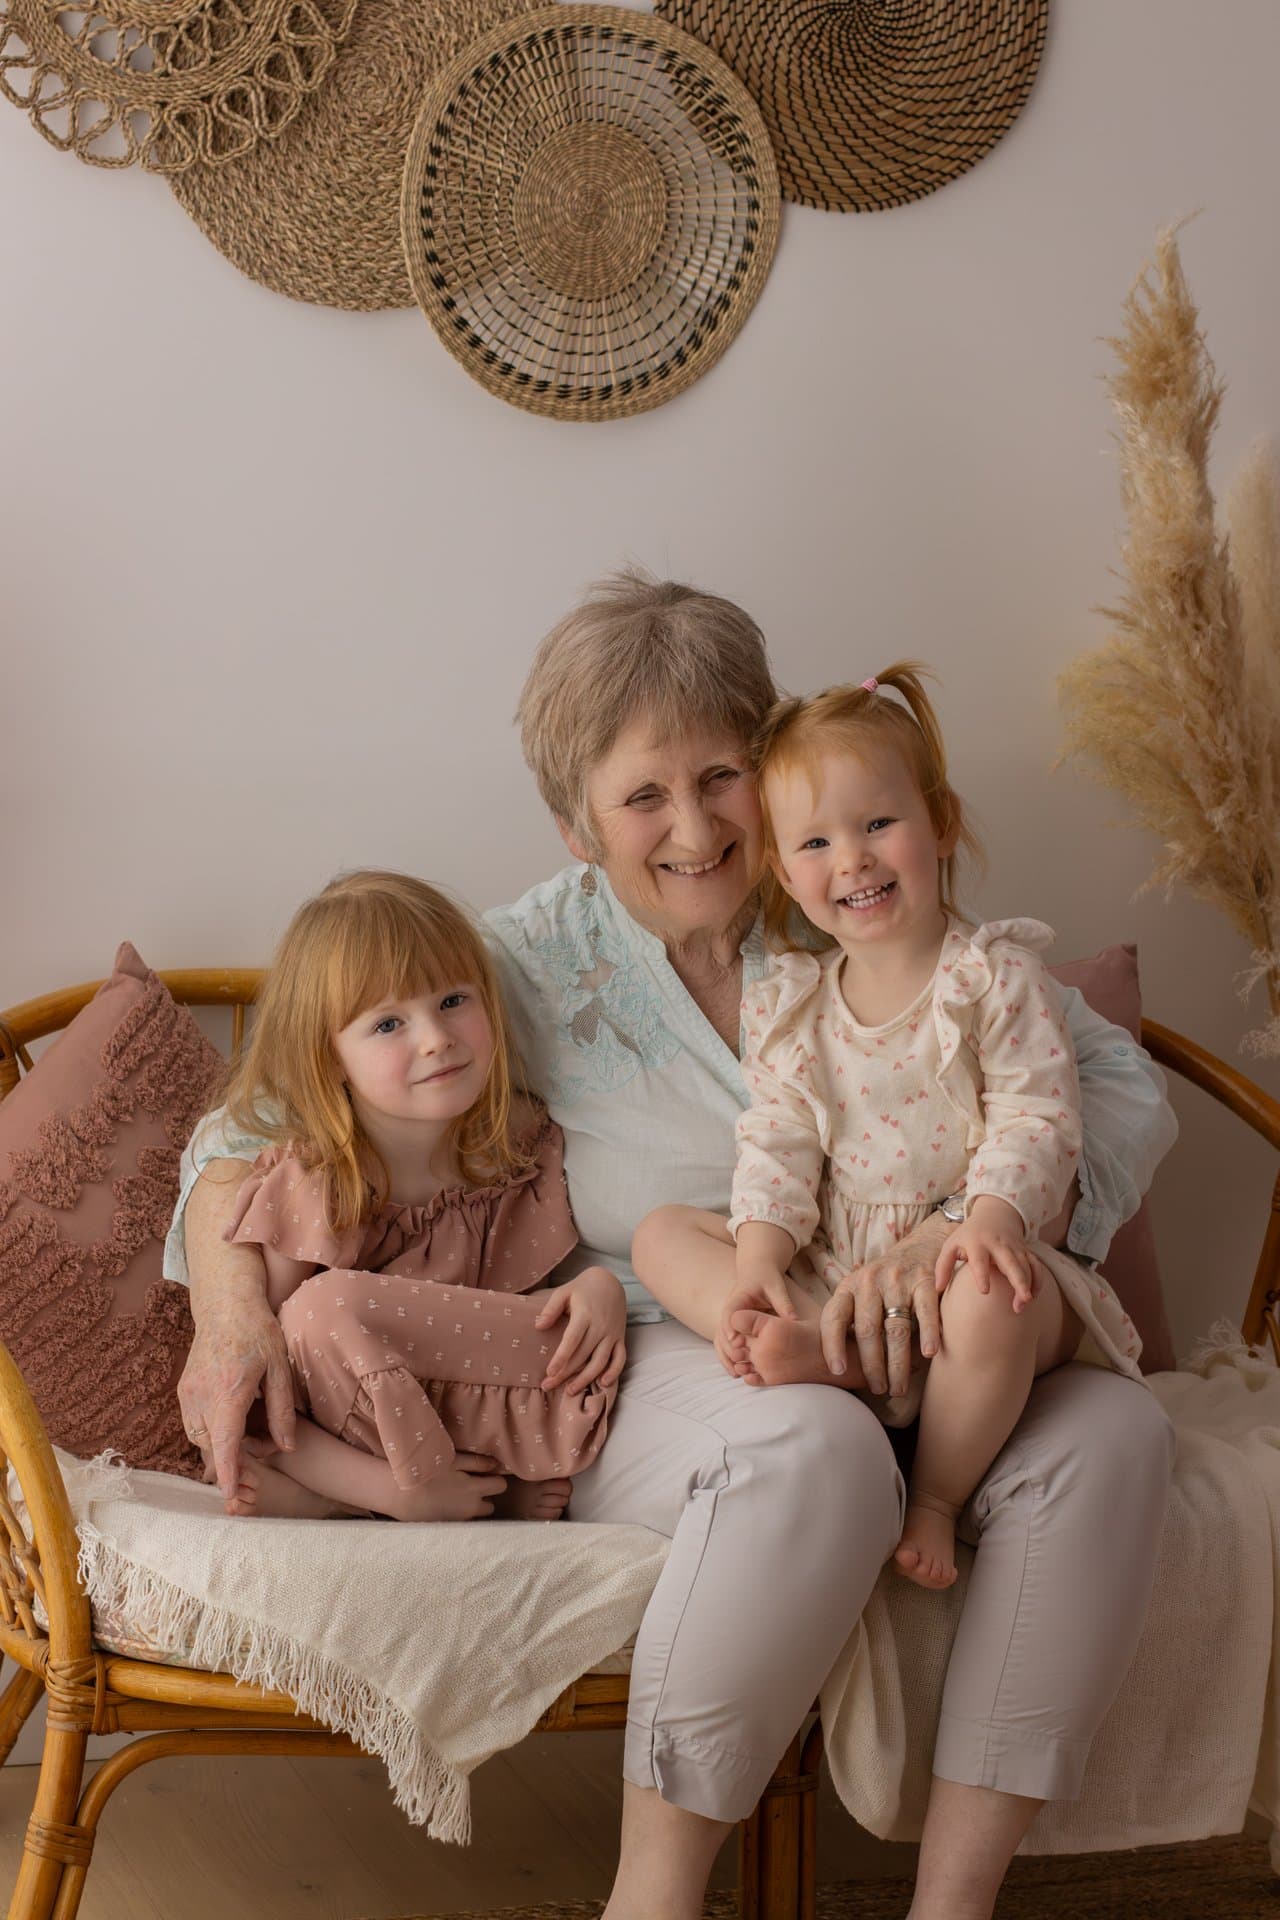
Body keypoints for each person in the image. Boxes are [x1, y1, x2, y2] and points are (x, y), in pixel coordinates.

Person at [170, 573, 1176, 1920]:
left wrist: (948, 1236)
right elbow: (241, 1134)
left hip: (939, 1325)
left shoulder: (849, 895)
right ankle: (655, 1898)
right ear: (576, 820)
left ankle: (956, 1904)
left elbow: (1112, 1087)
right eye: (644, 796)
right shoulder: (512, 966)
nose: (695, 828)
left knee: (1117, 1440)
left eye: (722, 778)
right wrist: (233, 1318)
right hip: (676, 1346)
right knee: (809, 1445)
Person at [632, 669, 1145, 1594]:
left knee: (990, 1302)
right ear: (786, 871)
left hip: (977, 1257)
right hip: (842, 1265)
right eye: (818, 841)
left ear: (940, 822)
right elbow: (779, 1140)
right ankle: (812, 1340)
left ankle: (937, 1496)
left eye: (878, 825)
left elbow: (1039, 1112)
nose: (854, 861)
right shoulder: (796, 1004)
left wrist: (987, 1220)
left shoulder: (994, 978)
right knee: (664, 1234)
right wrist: (757, 1258)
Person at [202, 869, 623, 1524]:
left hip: (459, 1401)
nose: (435, 1038)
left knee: (579, 1316)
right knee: (325, 1308)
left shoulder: (521, 1147)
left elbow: (507, 1322)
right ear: (330, 1058)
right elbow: (264, 1397)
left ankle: (475, 1487)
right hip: (327, 1434)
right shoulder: (315, 1184)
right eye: (389, 1023)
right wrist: (392, 1490)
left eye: (454, 1001)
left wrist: (600, 1291)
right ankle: (370, 1498)